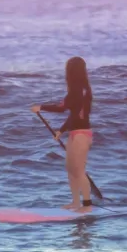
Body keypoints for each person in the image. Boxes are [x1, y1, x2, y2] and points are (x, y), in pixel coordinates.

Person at [31, 56, 94, 213]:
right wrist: (61, 130)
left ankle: (87, 206)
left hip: (81, 135)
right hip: (75, 133)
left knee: (79, 170)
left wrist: (41, 107)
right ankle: (75, 202)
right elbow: (73, 115)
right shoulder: (81, 90)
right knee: (71, 169)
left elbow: (61, 108)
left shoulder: (78, 92)